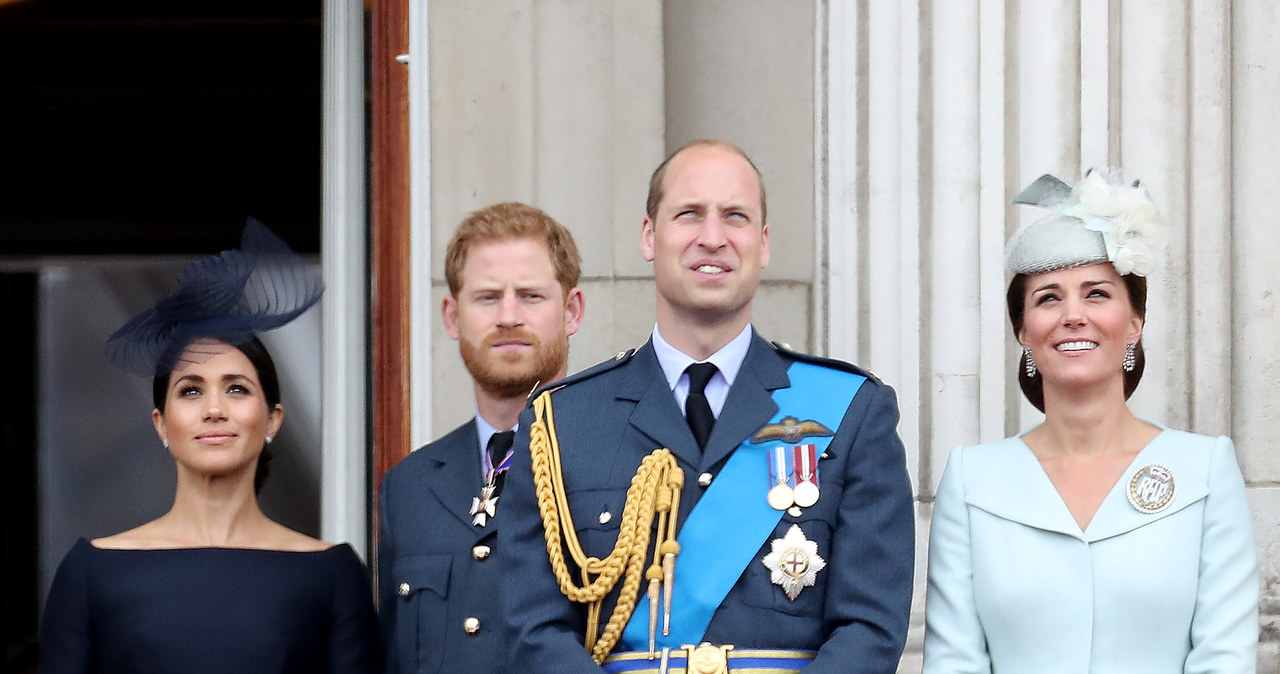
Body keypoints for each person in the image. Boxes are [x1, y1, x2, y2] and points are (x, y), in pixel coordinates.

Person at [500, 140, 914, 673]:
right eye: (689, 214)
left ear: (763, 244)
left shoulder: (852, 410)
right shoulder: (561, 422)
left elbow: (870, 628)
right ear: (650, 235)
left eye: (735, 217)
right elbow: (533, 629)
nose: (712, 238)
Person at [922, 170, 1259, 672]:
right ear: (1023, 331)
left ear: (1134, 324)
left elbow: (1224, 656)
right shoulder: (973, 479)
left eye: (1097, 293)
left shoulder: (1204, 468)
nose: (1073, 314)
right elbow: (953, 659)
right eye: (1048, 297)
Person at [38, 219, 381, 674]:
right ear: (161, 423)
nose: (214, 408)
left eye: (237, 389)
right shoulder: (92, 572)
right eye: (191, 391)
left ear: (272, 418)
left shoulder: (331, 575)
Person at [378, 202, 585, 673]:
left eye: (531, 296)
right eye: (488, 297)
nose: (508, 316)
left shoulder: (627, 466)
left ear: (572, 310)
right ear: (452, 316)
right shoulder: (408, 489)